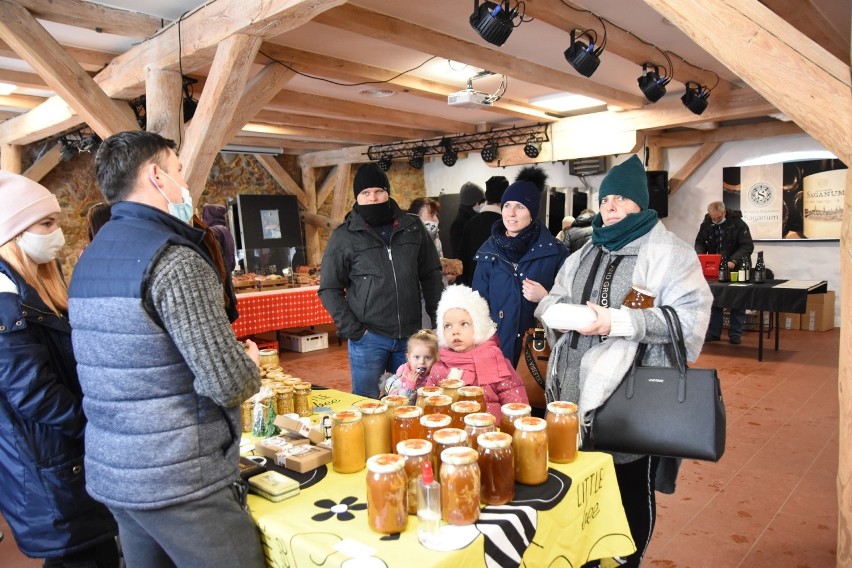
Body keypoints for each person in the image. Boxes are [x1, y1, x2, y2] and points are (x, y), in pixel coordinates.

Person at [67, 131, 265, 567]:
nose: (185, 183)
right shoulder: (174, 260)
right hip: (179, 475)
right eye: (178, 170)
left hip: (117, 468)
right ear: (156, 176)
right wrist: (249, 364)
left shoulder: (89, 258)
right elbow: (227, 382)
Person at [535, 155, 713, 568]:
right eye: (605, 198)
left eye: (620, 198)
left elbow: (689, 320)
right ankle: (587, 553)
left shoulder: (670, 253)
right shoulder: (584, 251)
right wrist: (556, 311)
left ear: (640, 204)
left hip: (631, 397)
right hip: (573, 392)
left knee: (629, 486)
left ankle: (626, 559)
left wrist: (617, 321)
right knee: (580, 481)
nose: (610, 206)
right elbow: (559, 295)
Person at [0, 171, 119, 566]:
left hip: (63, 458)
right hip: (51, 464)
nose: (58, 234)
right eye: (46, 224)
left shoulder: (34, 286)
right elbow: (33, 392)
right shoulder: (5, 297)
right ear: (14, 232)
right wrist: (96, 428)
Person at [319, 163, 443, 399]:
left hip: (410, 337)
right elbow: (329, 288)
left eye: (378, 191)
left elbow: (431, 273)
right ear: (358, 197)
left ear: (388, 192)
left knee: (410, 400)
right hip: (368, 338)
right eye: (365, 193)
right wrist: (354, 331)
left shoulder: (412, 226)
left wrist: (437, 319)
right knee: (366, 403)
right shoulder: (344, 235)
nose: (373, 198)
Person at [471, 166, 569, 366]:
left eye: (520, 207)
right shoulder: (488, 252)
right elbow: (477, 307)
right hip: (497, 351)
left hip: (537, 356)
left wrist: (545, 297)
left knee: (533, 398)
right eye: (507, 205)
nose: (511, 213)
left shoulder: (556, 252)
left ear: (532, 212)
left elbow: (571, 307)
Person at [427, 285, 529, 423]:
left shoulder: (497, 364)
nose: (455, 331)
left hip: (491, 438)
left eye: (464, 324)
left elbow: (517, 409)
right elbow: (429, 407)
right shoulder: (439, 367)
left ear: (478, 326)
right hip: (450, 437)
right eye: (448, 325)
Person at [695, 200, 754, 344]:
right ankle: (714, 332)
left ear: (724, 212)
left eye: (717, 218)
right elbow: (699, 243)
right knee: (715, 299)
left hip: (736, 266)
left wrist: (733, 261)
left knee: (737, 300)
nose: (715, 220)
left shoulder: (739, 224)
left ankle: (735, 334)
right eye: (712, 218)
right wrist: (700, 256)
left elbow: (747, 246)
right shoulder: (706, 224)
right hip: (714, 267)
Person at [458, 175, 509, 286]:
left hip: (473, 288)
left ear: (486, 197)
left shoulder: (470, 223)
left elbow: (462, 259)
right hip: (499, 287)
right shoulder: (506, 225)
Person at [384, 329, 446, 405]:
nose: (422, 362)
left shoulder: (437, 376)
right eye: (417, 357)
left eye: (428, 357)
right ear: (409, 357)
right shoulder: (402, 375)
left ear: (436, 358)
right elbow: (396, 403)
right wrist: (409, 387)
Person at [448, 181, 485, 258]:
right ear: (476, 203)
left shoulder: (465, 219)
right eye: (482, 201)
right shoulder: (461, 224)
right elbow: (459, 255)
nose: (484, 204)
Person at [201, 203, 237, 275]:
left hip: (219, 276)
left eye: (204, 215)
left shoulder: (214, 231)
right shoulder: (224, 229)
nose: (201, 219)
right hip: (227, 274)